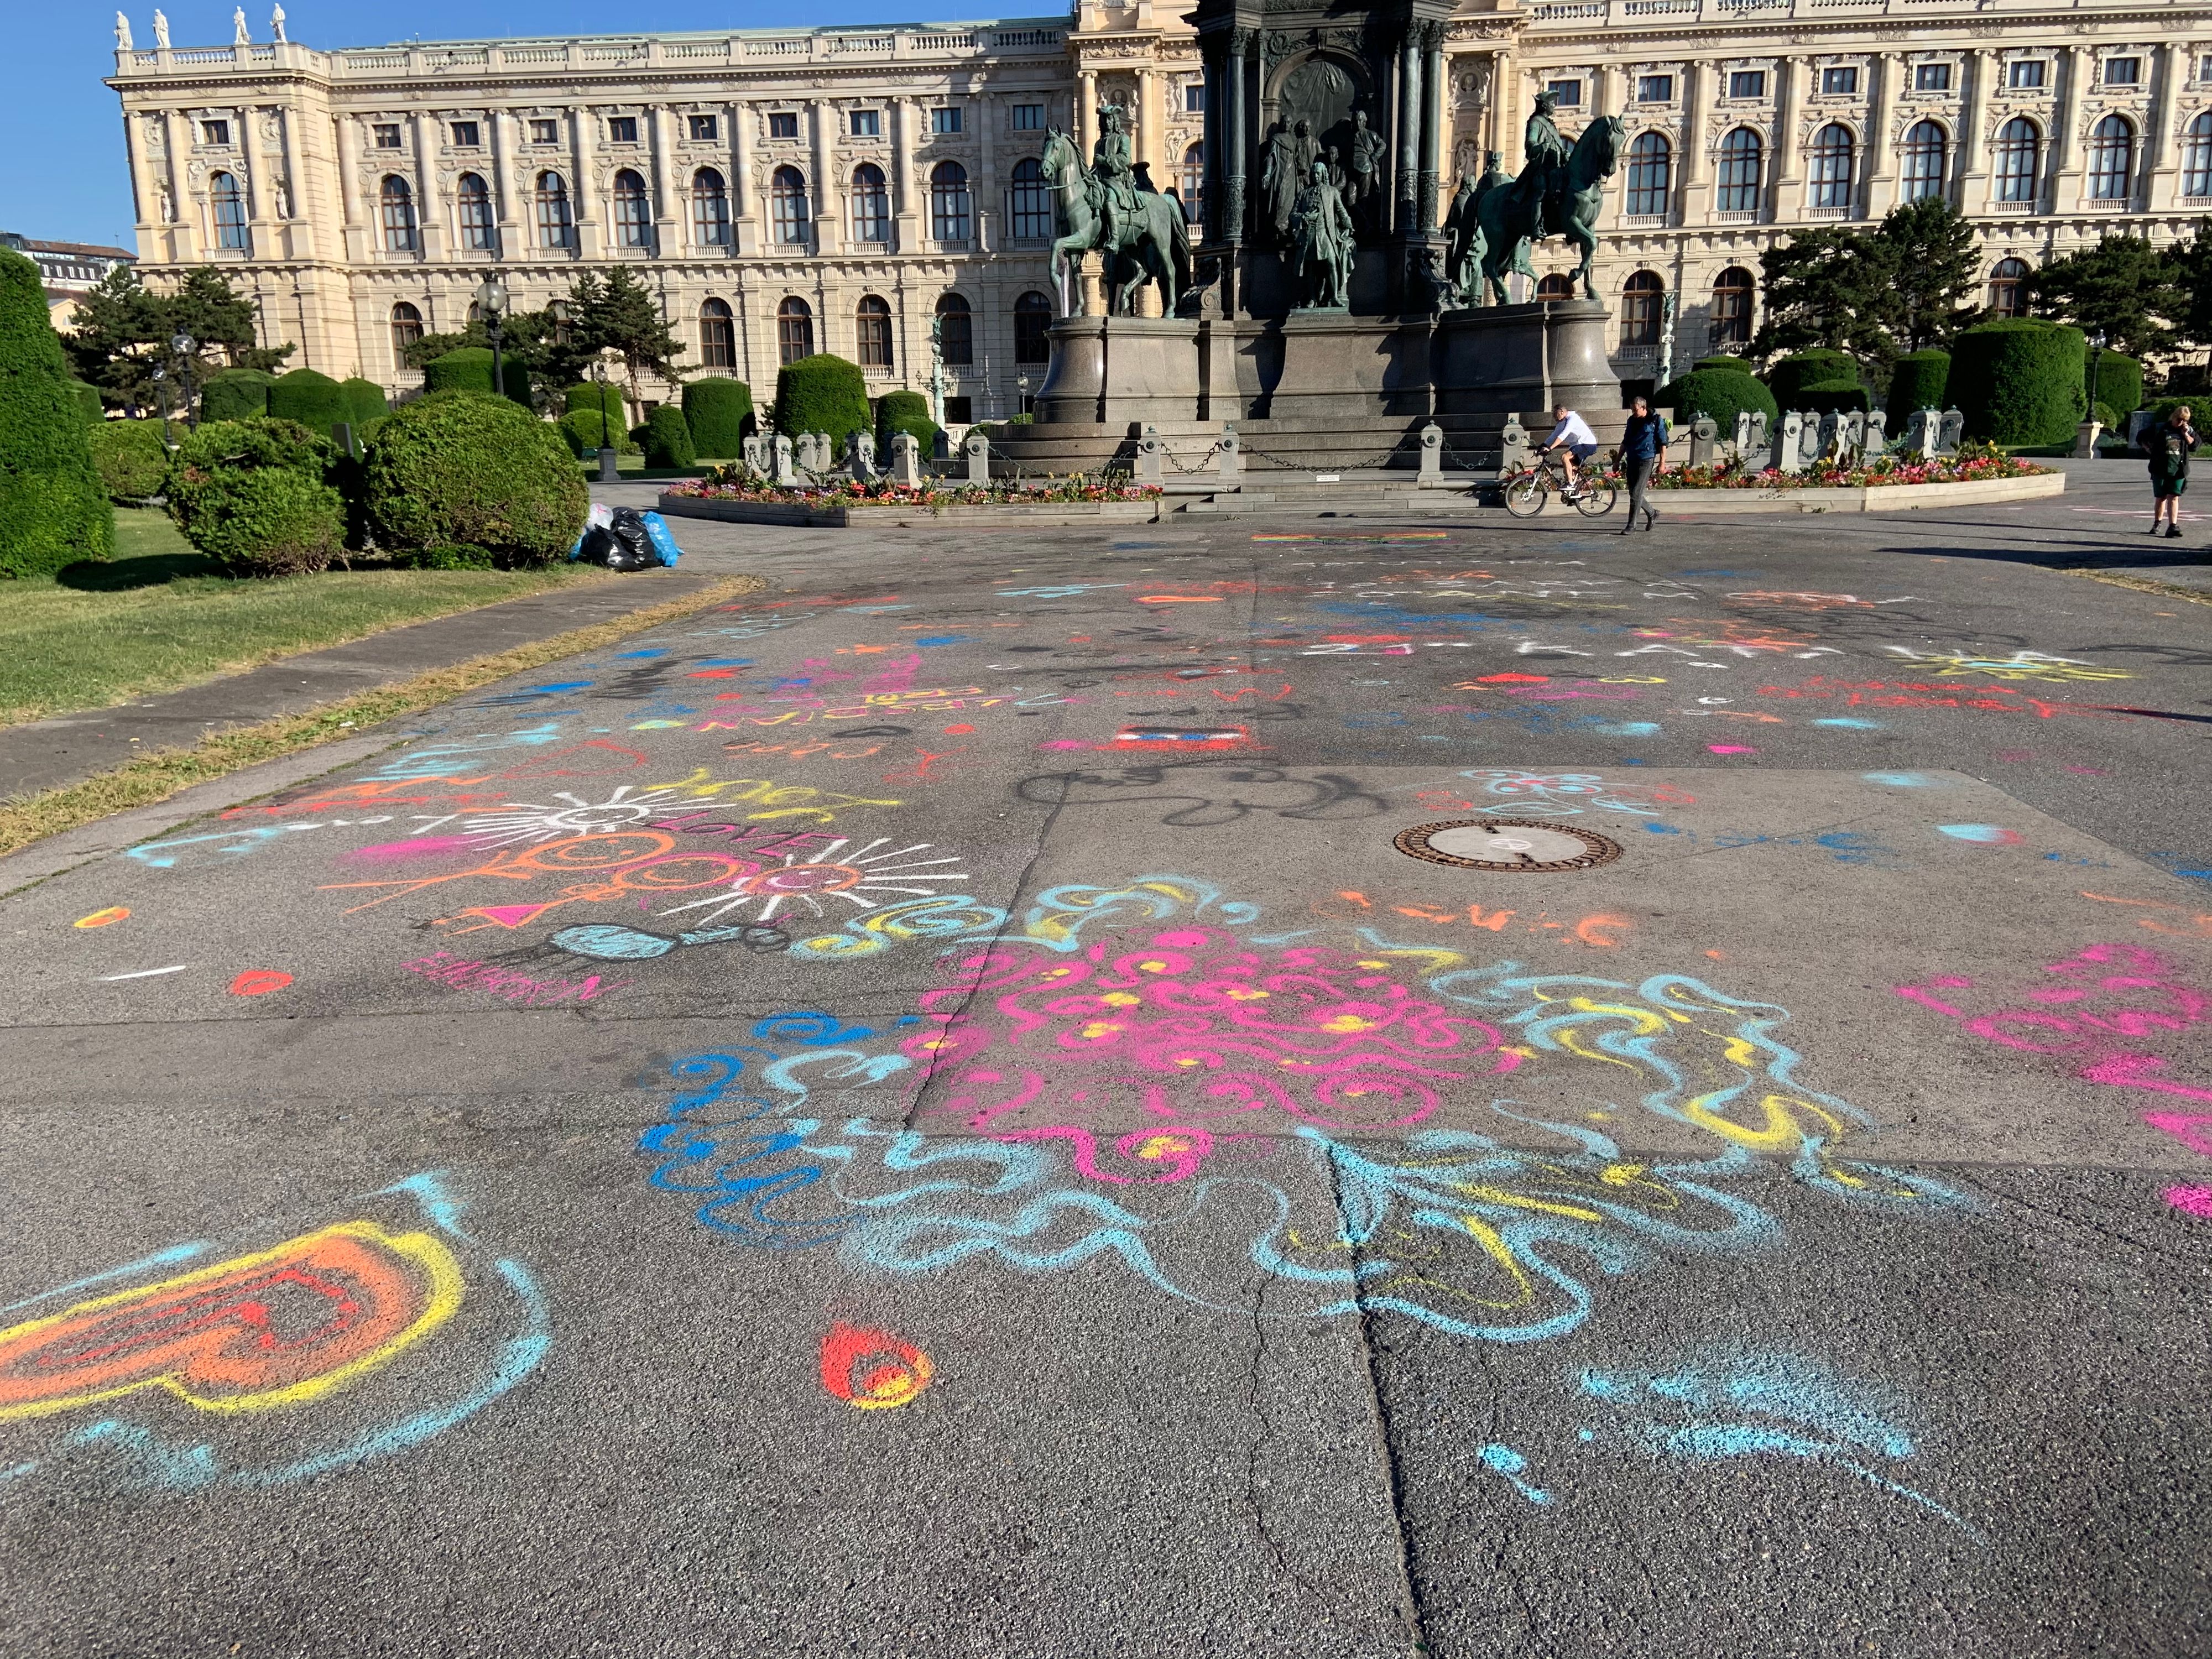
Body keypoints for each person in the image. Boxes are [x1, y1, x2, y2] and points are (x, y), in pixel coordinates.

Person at [1618, 395, 1669, 533]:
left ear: (1644, 408)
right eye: (1632, 410)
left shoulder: (1655, 420)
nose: (1634, 413)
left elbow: (1663, 442)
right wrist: (1618, 460)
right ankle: (1652, 513)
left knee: (1636, 492)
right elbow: (1626, 441)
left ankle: (1631, 526)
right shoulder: (1631, 421)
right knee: (1633, 492)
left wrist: (1662, 463)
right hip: (1632, 458)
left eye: (1636, 410)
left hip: (1647, 459)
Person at [2148, 404, 2196, 538]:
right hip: (2160, 469)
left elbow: (2195, 445)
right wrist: (2149, 450)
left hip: (2178, 470)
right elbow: (2142, 436)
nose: (2181, 423)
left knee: (2174, 497)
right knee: (2161, 497)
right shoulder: (2161, 428)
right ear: (2174, 417)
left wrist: (2186, 435)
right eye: (2179, 419)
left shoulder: (2187, 430)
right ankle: (2157, 523)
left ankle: (2172, 526)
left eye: (2185, 420)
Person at [1542, 404, 1599, 497]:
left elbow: (1563, 435)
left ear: (1562, 412)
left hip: (1587, 444)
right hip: (1578, 445)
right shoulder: (1562, 422)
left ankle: (1571, 485)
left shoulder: (1573, 419)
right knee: (1567, 470)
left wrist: (1550, 448)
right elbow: (1554, 435)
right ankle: (1575, 494)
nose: (1554, 417)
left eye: (1555, 414)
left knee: (1565, 457)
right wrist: (1543, 446)